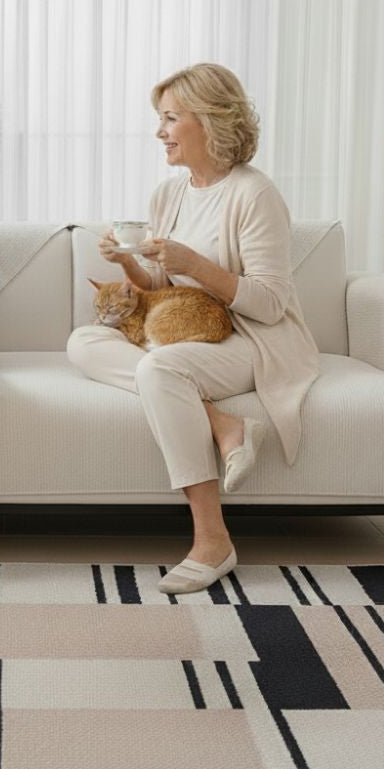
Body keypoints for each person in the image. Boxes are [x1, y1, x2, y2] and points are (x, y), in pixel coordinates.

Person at [67, 63, 319, 594]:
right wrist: (128, 263)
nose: (159, 132)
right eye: (160, 119)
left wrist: (197, 264)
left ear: (209, 122)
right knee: (84, 340)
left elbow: (271, 304)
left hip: (251, 338)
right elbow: (160, 282)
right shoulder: (170, 193)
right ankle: (223, 424)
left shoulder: (255, 195)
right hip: (183, 328)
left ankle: (212, 539)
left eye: (170, 118)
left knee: (159, 367)